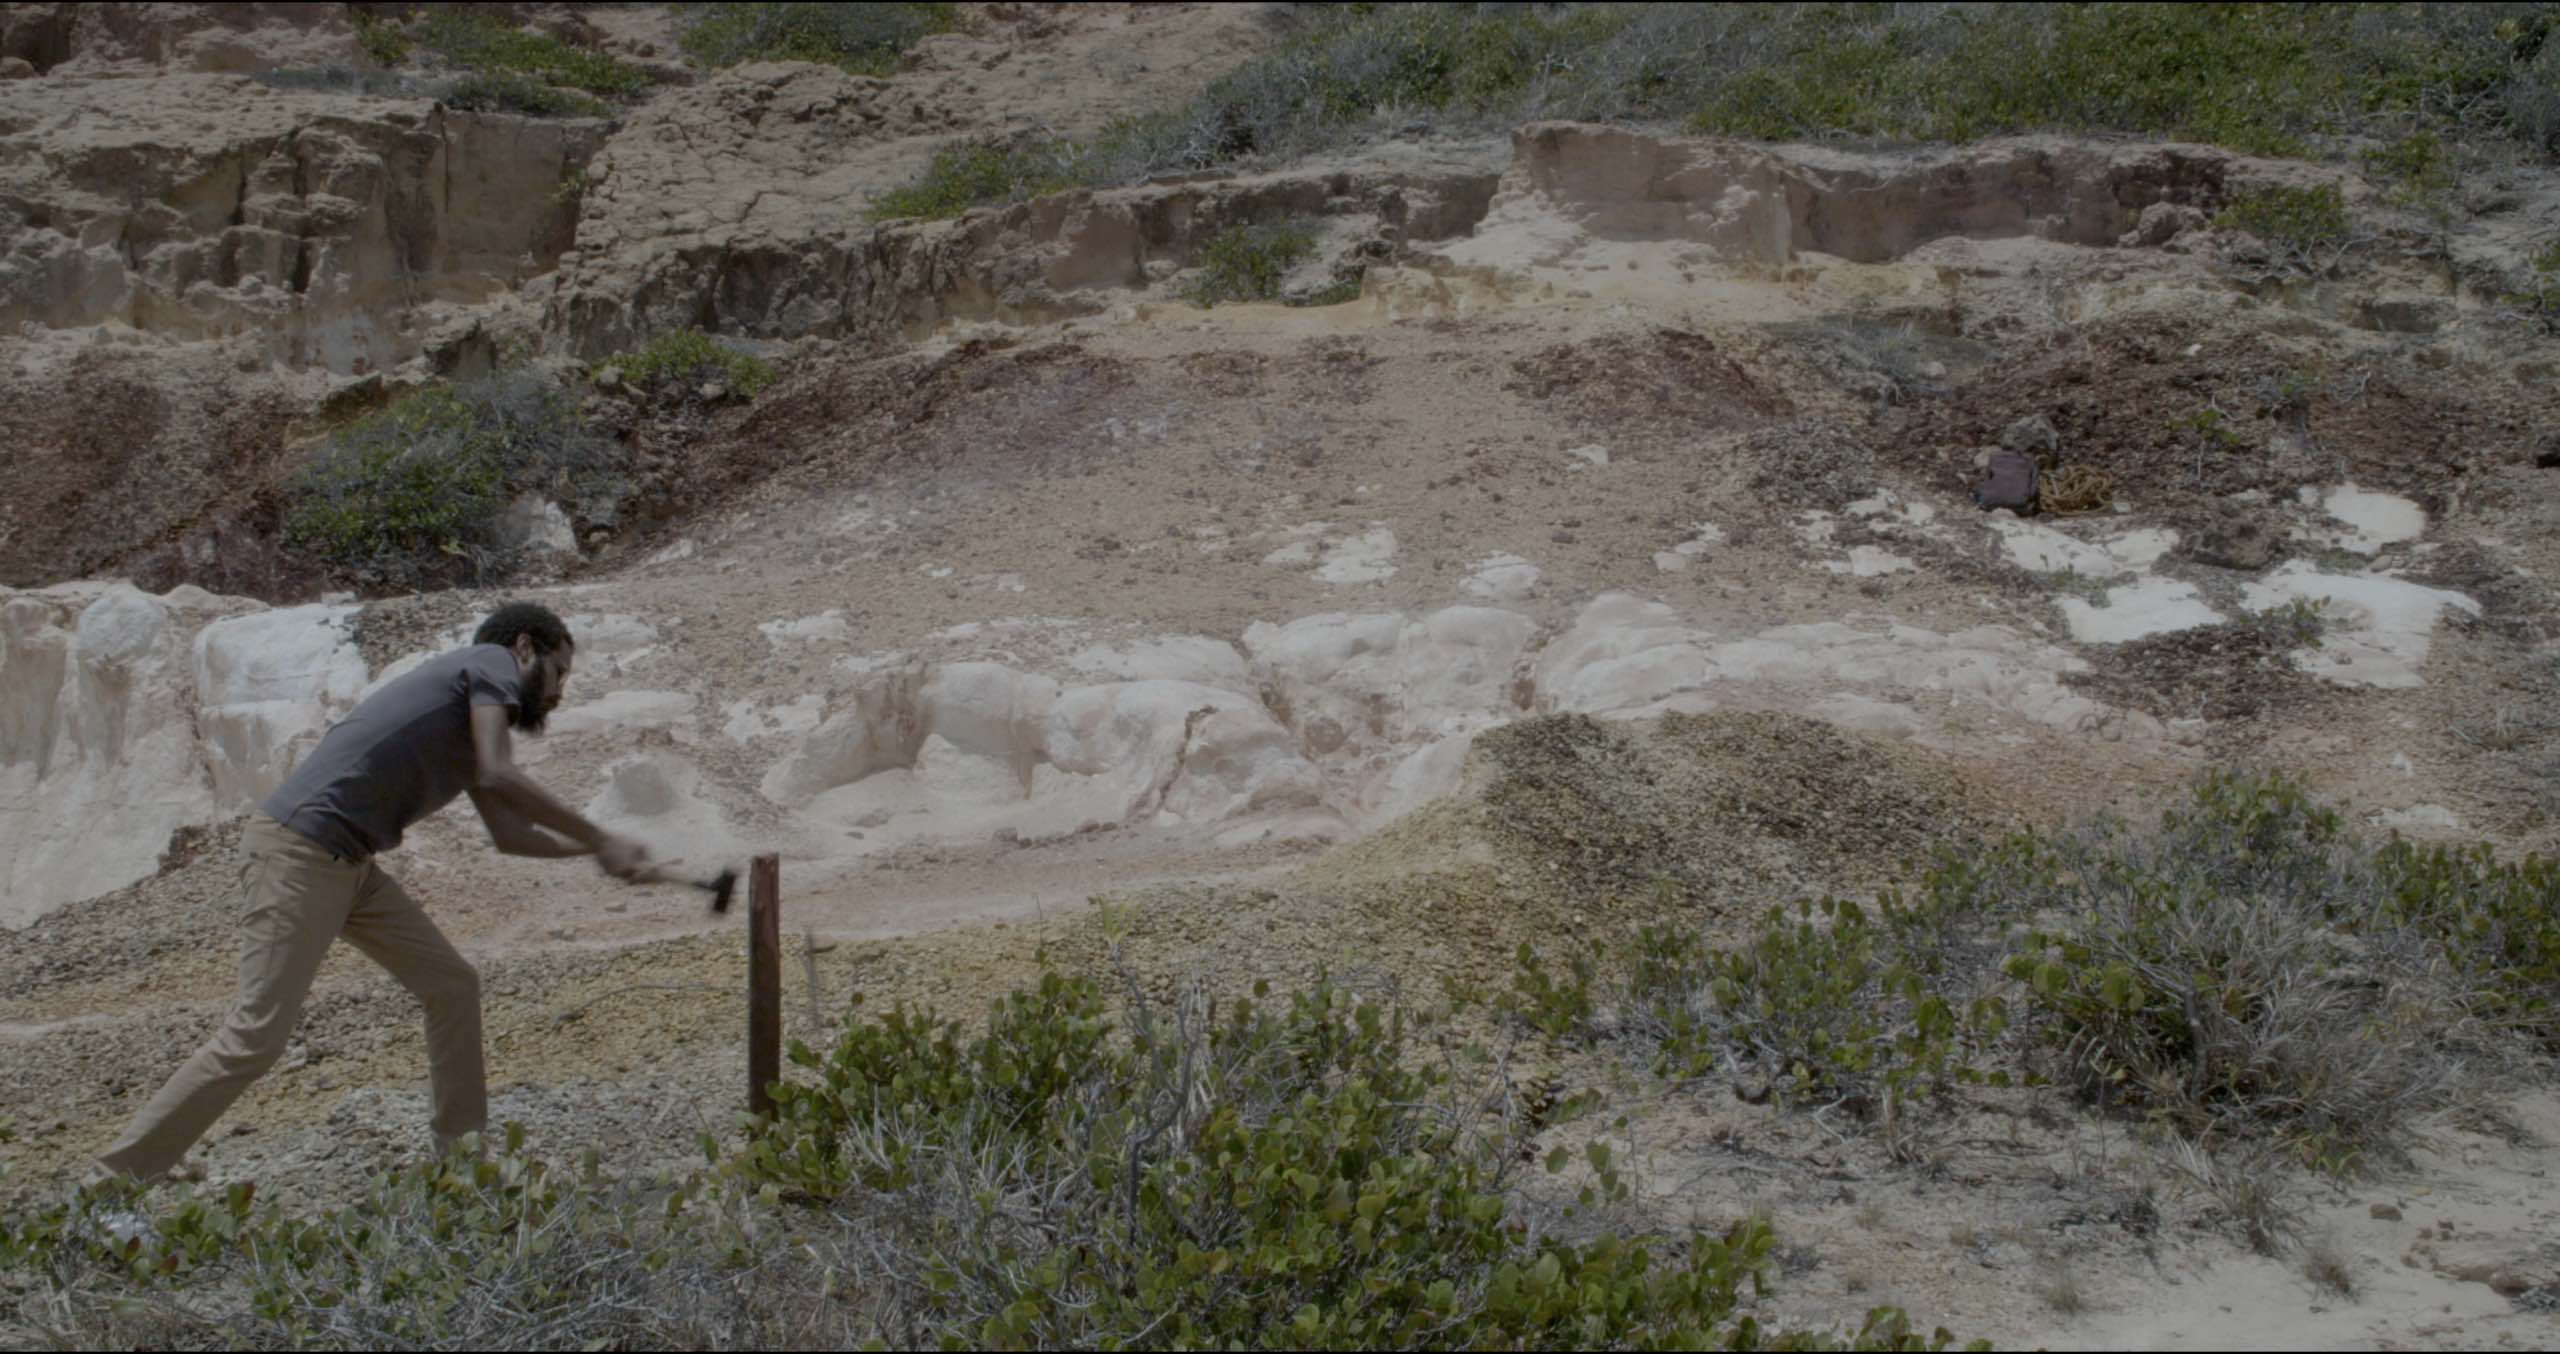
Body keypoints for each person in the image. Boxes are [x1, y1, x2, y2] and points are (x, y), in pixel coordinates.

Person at [91, 601, 654, 1185]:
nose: (560, 692)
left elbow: (509, 834)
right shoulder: (489, 663)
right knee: (255, 1037)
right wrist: (600, 835)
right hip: (299, 852)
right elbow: (500, 775)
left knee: (452, 984)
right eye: (559, 673)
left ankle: (461, 1171)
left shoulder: (471, 724)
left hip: (350, 865)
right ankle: (105, 1190)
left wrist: (595, 854)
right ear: (525, 649)